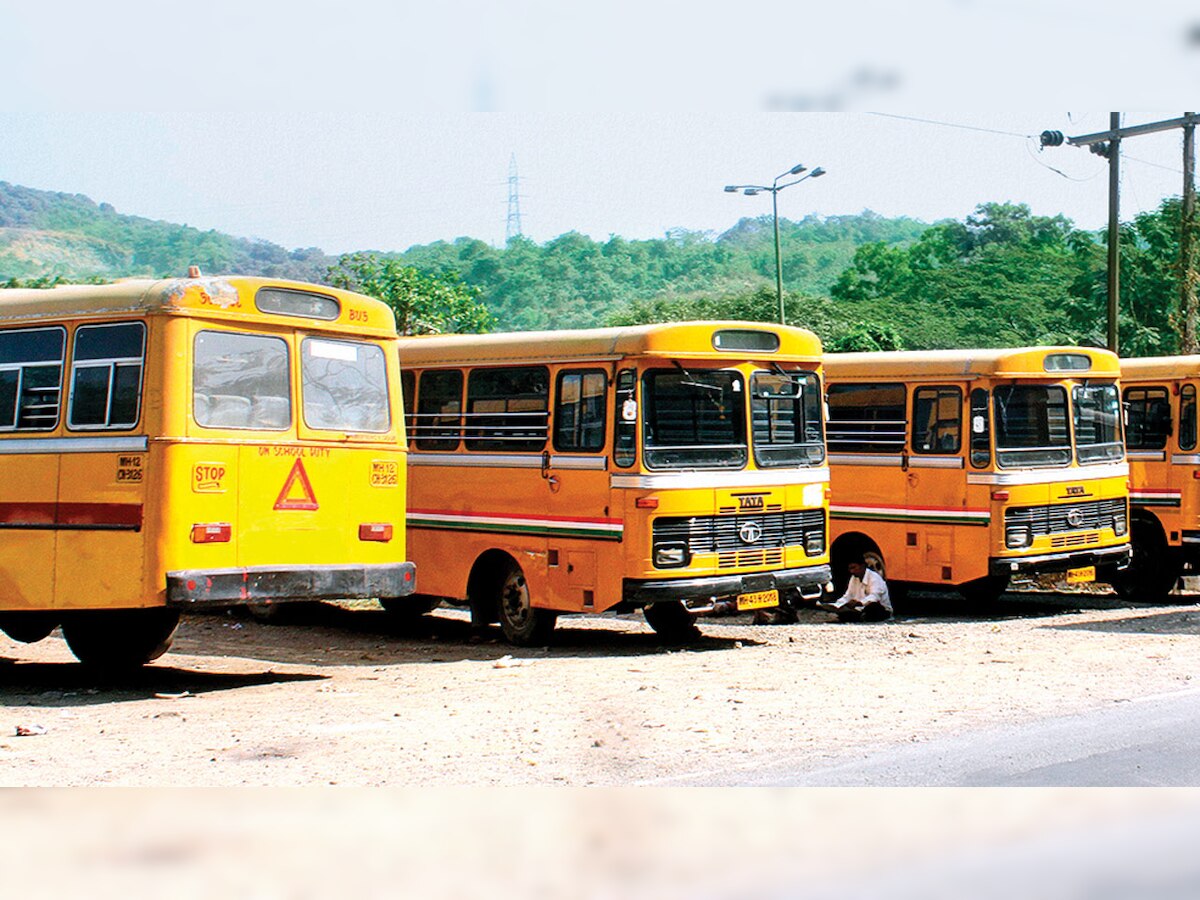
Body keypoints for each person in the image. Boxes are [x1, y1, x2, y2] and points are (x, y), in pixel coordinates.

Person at [817, 557, 892, 622]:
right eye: (850, 569)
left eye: (854, 568)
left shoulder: (874, 578)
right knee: (846, 613)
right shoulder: (854, 578)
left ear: (862, 566)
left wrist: (859, 603)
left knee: (872, 607)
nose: (851, 571)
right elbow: (848, 595)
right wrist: (837, 605)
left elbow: (875, 597)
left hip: (880, 609)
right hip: (860, 609)